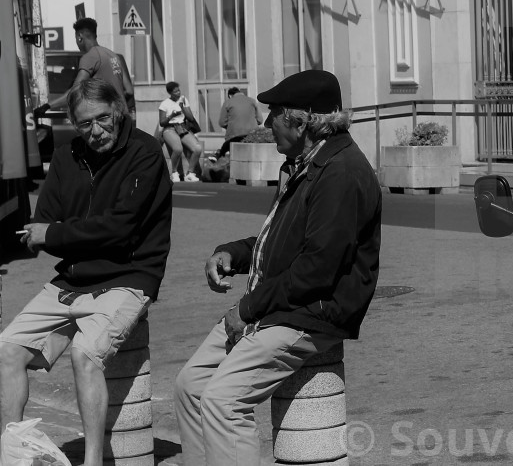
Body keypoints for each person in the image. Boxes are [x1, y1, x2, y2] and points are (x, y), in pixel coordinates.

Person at [174, 70, 381, 466]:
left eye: (274, 115)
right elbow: (282, 246)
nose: (266, 124)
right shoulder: (305, 163)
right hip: (280, 303)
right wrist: (233, 254)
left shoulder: (339, 172)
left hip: (311, 312)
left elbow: (316, 271)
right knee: (190, 386)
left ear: (301, 121)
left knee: (222, 400)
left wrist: (247, 309)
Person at [0, 79, 172, 466]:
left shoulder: (145, 152)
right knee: (7, 350)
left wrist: (58, 234)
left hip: (129, 275)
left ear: (119, 110)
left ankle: (92, 462)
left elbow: (122, 229)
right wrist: (54, 235)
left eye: (102, 119)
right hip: (73, 279)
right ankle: (11, 454)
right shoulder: (66, 157)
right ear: (73, 124)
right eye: (83, 124)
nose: (95, 132)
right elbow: (40, 226)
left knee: (84, 353)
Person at [35, 17, 135, 117]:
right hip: (124, 118)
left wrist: (47, 106)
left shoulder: (90, 57)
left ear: (79, 37)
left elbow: (75, 91)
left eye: (76, 38)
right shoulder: (113, 56)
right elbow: (129, 90)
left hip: (108, 120)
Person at [160, 80, 203, 182]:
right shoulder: (164, 104)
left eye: (178, 90)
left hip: (182, 127)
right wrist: (172, 115)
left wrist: (183, 107)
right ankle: (174, 172)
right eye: (175, 92)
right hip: (169, 128)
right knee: (178, 149)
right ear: (170, 93)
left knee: (197, 148)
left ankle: (190, 173)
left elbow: (190, 117)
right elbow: (162, 122)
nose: (178, 93)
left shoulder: (183, 100)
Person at [213, 86, 262, 160]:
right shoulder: (253, 101)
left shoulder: (228, 102)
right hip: (253, 136)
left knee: (235, 158)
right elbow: (260, 120)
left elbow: (222, 122)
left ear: (230, 95)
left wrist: (231, 124)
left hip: (234, 136)